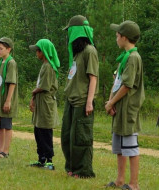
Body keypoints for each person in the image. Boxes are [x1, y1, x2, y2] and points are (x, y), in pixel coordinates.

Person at [105, 20, 144, 190]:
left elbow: (127, 85)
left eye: (117, 35)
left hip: (128, 109)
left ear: (125, 37)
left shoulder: (134, 58)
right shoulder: (124, 58)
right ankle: (120, 180)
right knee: (120, 147)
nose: (116, 38)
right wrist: (110, 101)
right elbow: (118, 82)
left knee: (130, 147)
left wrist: (112, 102)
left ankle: (133, 184)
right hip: (118, 108)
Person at [61, 15, 98, 178]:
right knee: (68, 136)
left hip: (82, 101)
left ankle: (83, 171)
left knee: (81, 138)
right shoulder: (77, 53)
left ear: (76, 32)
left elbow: (93, 78)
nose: (68, 35)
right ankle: (72, 167)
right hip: (71, 100)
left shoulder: (90, 51)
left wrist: (89, 102)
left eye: (69, 31)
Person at [28, 39, 59, 170]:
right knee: (38, 130)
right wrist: (33, 98)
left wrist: (33, 92)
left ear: (44, 52)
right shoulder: (44, 65)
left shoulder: (49, 66)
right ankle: (41, 159)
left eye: (38, 50)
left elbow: (44, 86)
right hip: (40, 101)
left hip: (46, 103)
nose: (37, 53)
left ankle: (49, 161)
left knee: (45, 131)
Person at [0, 37, 18, 158]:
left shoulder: (11, 63)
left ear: (8, 49)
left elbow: (12, 83)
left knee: (6, 125)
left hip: (6, 99)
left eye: (1, 48)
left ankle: (5, 151)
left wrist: (8, 101)